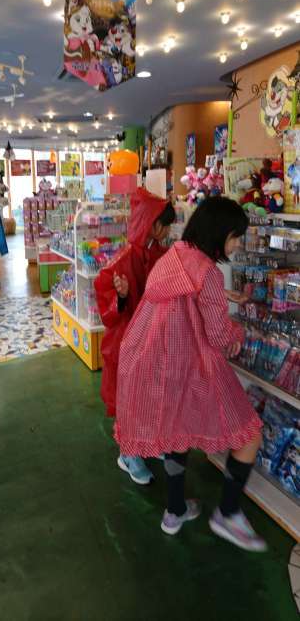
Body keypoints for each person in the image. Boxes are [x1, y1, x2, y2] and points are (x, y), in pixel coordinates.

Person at [115, 197, 266, 552]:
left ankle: (175, 509)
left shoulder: (174, 255)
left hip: (151, 362)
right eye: (235, 237)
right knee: (249, 434)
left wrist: (218, 295)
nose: (237, 244)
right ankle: (228, 513)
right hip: (189, 365)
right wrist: (241, 333)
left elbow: (182, 295)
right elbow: (219, 335)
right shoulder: (208, 272)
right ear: (220, 233)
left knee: (175, 433)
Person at [95, 188, 176, 485]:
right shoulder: (125, 258)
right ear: (152, 224)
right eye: (164, 225)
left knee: (149, 394)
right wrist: (121, 295)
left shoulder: (158, 252)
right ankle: (128, 453)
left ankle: (147, 442)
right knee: (129, 397)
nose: (167, 231)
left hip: (151, 337)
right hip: (127, 339)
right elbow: (106, 301)